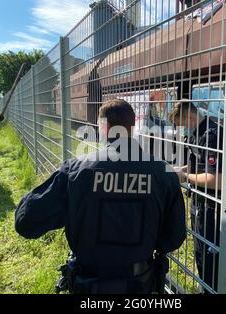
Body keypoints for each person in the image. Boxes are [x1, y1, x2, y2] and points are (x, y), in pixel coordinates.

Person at [15, 99, 186, 294]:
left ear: (103, 127)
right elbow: (174, 237)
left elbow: (25, 222)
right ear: (132, 127)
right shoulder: (163, 173)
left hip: (88, 283)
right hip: (139, 283)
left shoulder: (75, 170)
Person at [169, 101, 223, 293]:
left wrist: (184, 176)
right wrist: (179, 170)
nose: (183, 129)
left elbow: (216, 179)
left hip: (211, 207)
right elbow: (198, 166)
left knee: (209, 255)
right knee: (200, 251)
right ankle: (205, 286)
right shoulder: (198, 133)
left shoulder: (211, 135)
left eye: (183, 124)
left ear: (190, 117)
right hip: (199, 203)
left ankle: (211, 289)